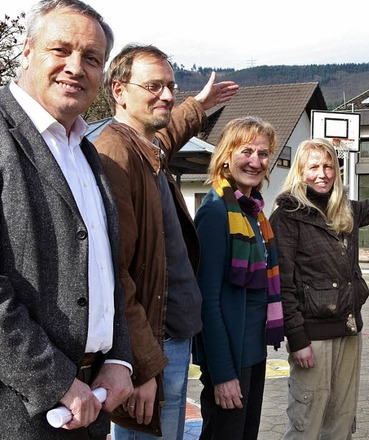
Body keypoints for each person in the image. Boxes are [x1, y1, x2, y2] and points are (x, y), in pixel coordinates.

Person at [0, 0, 134, 438]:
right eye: (61, 50)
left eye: (91, 58)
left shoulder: (85, 152)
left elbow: (106, 271)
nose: (75, 67)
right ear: (27, 52)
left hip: (91, 402)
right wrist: (55, 381)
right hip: (19, 409)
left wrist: (118, 358)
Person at [93, 45, 239, 439]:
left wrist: (200, 105)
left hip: (170, 337)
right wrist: (139, 364)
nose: (168, 96)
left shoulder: (147, 145)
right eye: (154, 86)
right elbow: (113, 272)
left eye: (171, 86)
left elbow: (170, 132)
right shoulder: (115, 153)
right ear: (119, 91)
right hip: (152, 347)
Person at [269, 137, 369, 439]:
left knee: (342, 420)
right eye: (314, 166)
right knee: (307, 420)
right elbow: (283, 286)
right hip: (312, 339)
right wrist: (298, 338)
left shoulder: (343, 209)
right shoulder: (287, 216)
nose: (323, 173)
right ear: (300, 172)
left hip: (348, 331)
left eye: (329, 165)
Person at [192, 116, 284, 439]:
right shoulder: (216, 212)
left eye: (263, 153)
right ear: (227, 155)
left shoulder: (254, 212)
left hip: (253, 354)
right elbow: (208, 302)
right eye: (247, 151)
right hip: (230, 360)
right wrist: (222, 374)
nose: (255, 161)